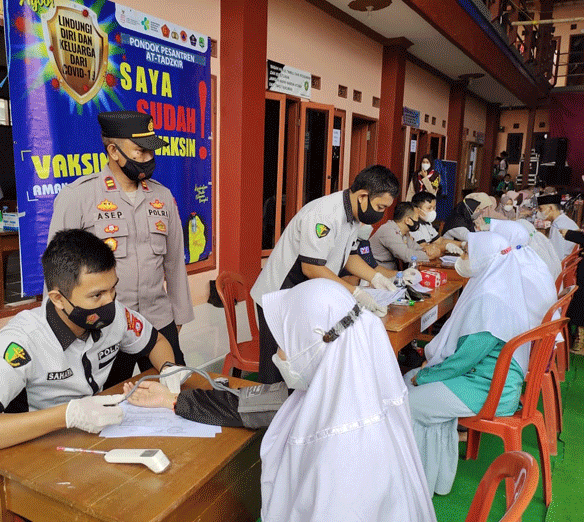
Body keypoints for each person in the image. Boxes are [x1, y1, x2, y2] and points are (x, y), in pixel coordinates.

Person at [127, 279, 437, 521]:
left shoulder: (342, 460)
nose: (277, 356)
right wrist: (174, 401)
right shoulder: (351, 386)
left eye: (286, 343)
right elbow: (256, 403)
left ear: (314, 344)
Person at [0, 229, 176, 459]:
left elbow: (157, 341)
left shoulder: (115, 316)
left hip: (92, 443)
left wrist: (169, 370)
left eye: (113, 288)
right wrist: (68, 415)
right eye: (97, 295)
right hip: (38, 453)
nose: (110, 302)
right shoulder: (21, 342)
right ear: (58, 299)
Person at [405, 228, 556, 496]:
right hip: (490, 380)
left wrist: (426, 376)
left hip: (488, 389)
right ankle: (434, 479)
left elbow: (464, 359)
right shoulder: (500, 286)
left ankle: (415, 483)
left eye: (467, 253)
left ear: (484, 259)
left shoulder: (490, 299)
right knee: (413, 385)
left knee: (409, 401)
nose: (462, 257)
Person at [47, 111, 193, 379]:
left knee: (175, 392)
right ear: (114, 151)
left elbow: (173, 262)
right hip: (106, 327)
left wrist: (177, 319)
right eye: (140, 151)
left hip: (159, 320)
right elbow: (58, 272)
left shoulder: (162, 196)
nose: (148, 159)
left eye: (151, 152)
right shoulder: (79, 196)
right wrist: (70, 331)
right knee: (115, 403)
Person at [250, 165, 411, 383]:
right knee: (276, 372)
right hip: (280, 295)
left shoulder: (353, 217)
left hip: (304, 294)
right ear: (363, 196)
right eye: (380, 206)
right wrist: (355, 292)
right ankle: (268, 416)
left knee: (301, 366)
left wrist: (376, 277)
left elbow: (350, 257)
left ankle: (295, 414)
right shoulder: (325, 214)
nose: (381, 214)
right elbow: (312, 267)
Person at [369, 202, 438, 270]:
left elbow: (416, 248)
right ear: (408, 220)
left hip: (392, 271)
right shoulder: (388, 230)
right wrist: (428, 256)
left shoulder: (404, 233)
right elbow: (406, 255)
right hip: (377, 271)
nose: (418, 221)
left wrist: (428, 250)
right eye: (417, 218)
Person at [537, 193, 578, 261]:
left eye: (541, 209)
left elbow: (557, 255)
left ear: (551, 208)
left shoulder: (558, 226)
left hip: (563, 264)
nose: (539, 212)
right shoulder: (563, 220)